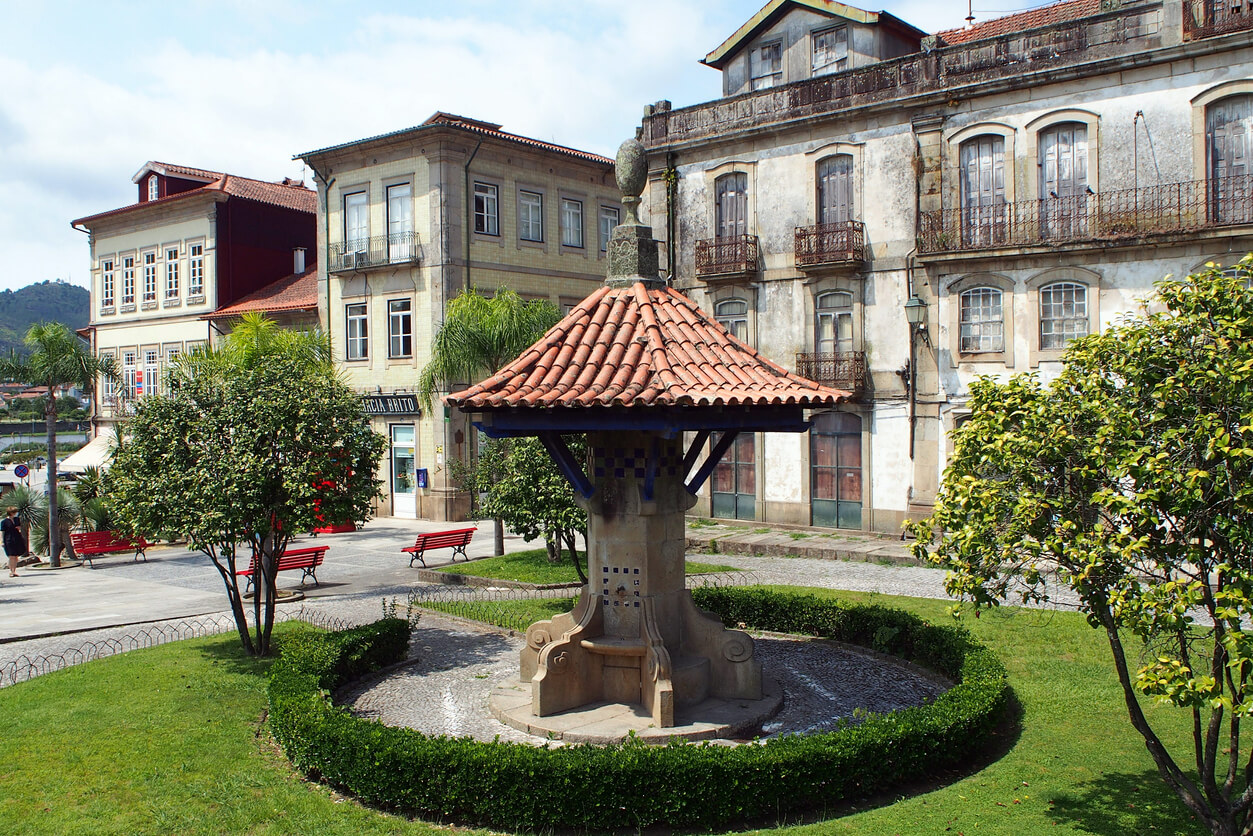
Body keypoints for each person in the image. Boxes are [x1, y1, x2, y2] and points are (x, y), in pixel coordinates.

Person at [2, 506, 25, 577]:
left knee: (15, 556)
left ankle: (14, 571)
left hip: (17, 538)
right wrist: (2, 541)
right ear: (11, 513)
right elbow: (2, 532)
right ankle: (11, 571)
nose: (16, 513)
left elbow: (19, 528)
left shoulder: (16, 519)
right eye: (14, 512)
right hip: (9, 539)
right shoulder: (4, 522)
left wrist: (19, 529)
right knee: (11, 556)